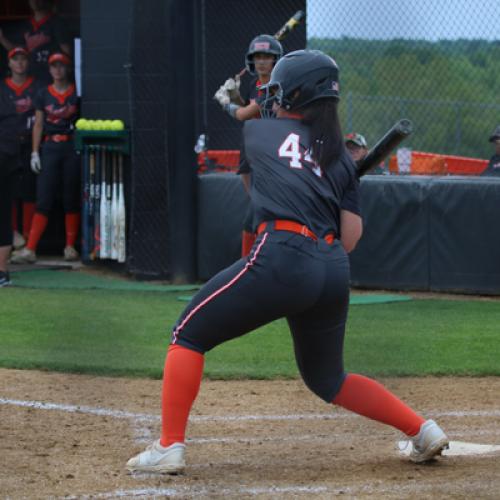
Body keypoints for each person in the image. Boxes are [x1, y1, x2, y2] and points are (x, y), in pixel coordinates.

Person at [126, 50, 449, 474]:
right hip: (332, 267)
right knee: (328, 379)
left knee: (187, 333)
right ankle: (422, 430)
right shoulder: (340, 160)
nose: (273, 100)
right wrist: (338, 185)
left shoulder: (260, 133)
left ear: (297, 93)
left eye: (279, 92)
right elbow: (350, 238)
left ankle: (169, 447)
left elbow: (266, 153)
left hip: (282, 256)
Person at [214, 34, 283, 256]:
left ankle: (249, 263)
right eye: (258, 57)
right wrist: (234, 95)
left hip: (271, 153)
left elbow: (245, 114)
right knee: (255, 209)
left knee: (258, 213)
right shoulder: (255, 85)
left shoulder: (276, 87)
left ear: (275, 60)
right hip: (253, 149)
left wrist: (226, 103)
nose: (262, 61)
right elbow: (246, 108)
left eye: (267, 57)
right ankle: (251, 263)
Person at [11, 52, 80, 264]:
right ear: (49, 70)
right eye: (54, 66)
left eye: (61, 66)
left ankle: (70, 246)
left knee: (70, 195)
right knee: (44, 196)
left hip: (70, 146)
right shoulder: (43, 93)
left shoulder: (76, 93)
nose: (58, 70)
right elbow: (38, 124)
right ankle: (30, 248)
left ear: (67, 68)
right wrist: (34, 152)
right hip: (50, 146)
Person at [1, 47, 39, 250]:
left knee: (29, 191)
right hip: (6, 147)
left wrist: (36, 150)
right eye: (15, 59)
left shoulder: (37, 87)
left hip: (30, 145)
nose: (19, 63)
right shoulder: (2, 88)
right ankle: (13, 234)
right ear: (9, 63)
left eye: (23, 59)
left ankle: (27, 238)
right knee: (9, 193)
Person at [0, 0, 71, 84]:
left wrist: (65, 73)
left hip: (51, 77)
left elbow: (67, 51)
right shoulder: (26, 24)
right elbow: (17, 50)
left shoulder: (57, 23)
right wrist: (1, 39)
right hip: (30, 77)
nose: (35, 1)